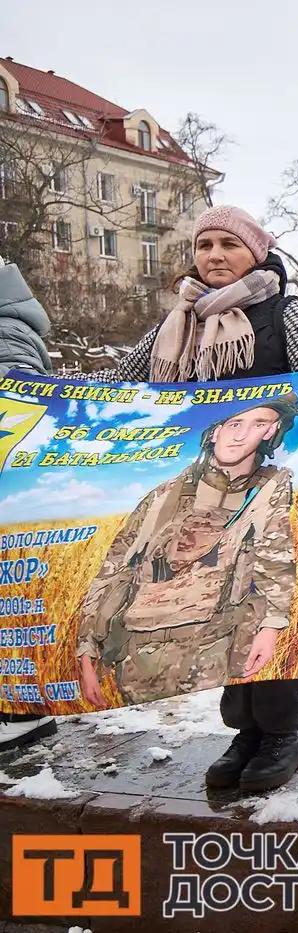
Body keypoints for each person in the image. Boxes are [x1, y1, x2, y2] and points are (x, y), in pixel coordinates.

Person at [96, 205, 298, 792]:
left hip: (275, 487)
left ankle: (283, 732)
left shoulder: (288, 312)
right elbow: (123, 388)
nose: (213, 255)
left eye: (228, 245)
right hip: (204, 489)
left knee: (269, 600)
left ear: (256, 253)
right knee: (221, 603)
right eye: (204, 244)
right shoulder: (176, 320)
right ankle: (244, 730)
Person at [76, 395, 298, 720]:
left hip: (214, 649)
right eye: (234, 423)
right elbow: (115, 571)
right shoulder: (164, 497)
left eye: (258, 424)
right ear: (214, 432)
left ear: (271, 431)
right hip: (140, 656)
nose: (241, 434)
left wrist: (271, 625)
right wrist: (87, 650)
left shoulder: (270, 489)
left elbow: (274, 559)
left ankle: (262, 738)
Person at [0, 255, 57, 752]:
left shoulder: (8, 330)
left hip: (10, 492)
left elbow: (19, 405)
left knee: (12, 603)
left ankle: (22, 713)